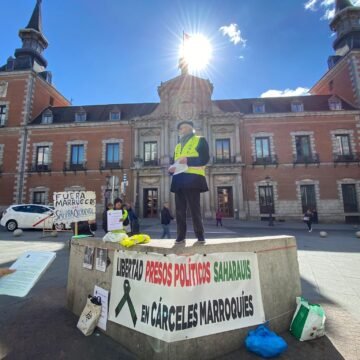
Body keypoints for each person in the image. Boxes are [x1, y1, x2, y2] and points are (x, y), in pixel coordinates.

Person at [169, 120, 209, 245]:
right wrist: (171, 169)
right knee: (179, 211)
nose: (183, 130)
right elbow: (176, 162)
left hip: (193, 178)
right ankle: (180, 236)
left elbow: (205, 158)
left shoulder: (200, 139)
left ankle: (200, 236)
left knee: (194, 209)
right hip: (179, 179)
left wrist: (188, 160)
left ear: (192, 129)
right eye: (181, 128)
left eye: (185, 127)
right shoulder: (177, 145)